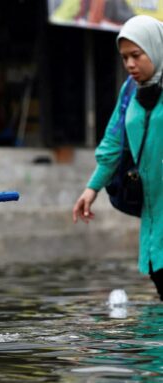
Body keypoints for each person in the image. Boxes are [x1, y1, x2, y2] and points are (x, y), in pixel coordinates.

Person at [73, 15, 163, 300]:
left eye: (137, 55)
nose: (130, 65)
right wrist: (92, 188)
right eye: (125, 58)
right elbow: (113, 142)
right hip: (154, 210)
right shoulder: (129, 92)